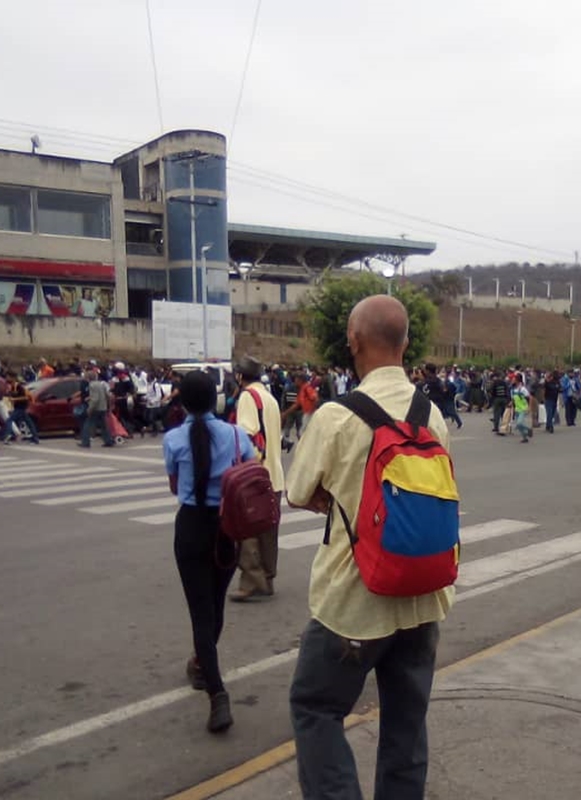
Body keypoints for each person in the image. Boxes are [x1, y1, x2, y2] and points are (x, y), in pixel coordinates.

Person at [285, 295, 452, 799]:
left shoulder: (337, 417)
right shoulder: (433, 415)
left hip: (355, 601)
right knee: (406, 724)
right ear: (405, 342)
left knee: (315, 708)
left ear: (354, 340)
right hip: (424, 597)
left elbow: (296, 491)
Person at [165, 371, 254, 733]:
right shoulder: (236, 436)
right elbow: (250, 473)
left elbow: (174, 486)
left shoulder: (173, 439)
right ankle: (203, 665)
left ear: (182, 402)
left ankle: (216, 691)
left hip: (190, 528)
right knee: (215, 608)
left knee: (201, 613)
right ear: (216, 400)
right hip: (226, 529)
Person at [230, 356, 284, 602]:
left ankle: (252, 581)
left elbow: (247, 434)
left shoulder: (247, 397)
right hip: (274, 474)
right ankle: (268, 578)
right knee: (268, 530)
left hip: (255, 476)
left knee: (248, 529)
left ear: (241, 376)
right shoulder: (270, 398)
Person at [78, 369, 113, 448]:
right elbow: (106, 395)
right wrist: (108, 405)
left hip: (96, 408)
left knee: (87, 425)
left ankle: (85, 442)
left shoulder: (91, 385)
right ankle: (108, 440)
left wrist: (90, 408)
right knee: (104, 426)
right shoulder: (101, 384)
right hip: (103, 407)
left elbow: (95, 399)